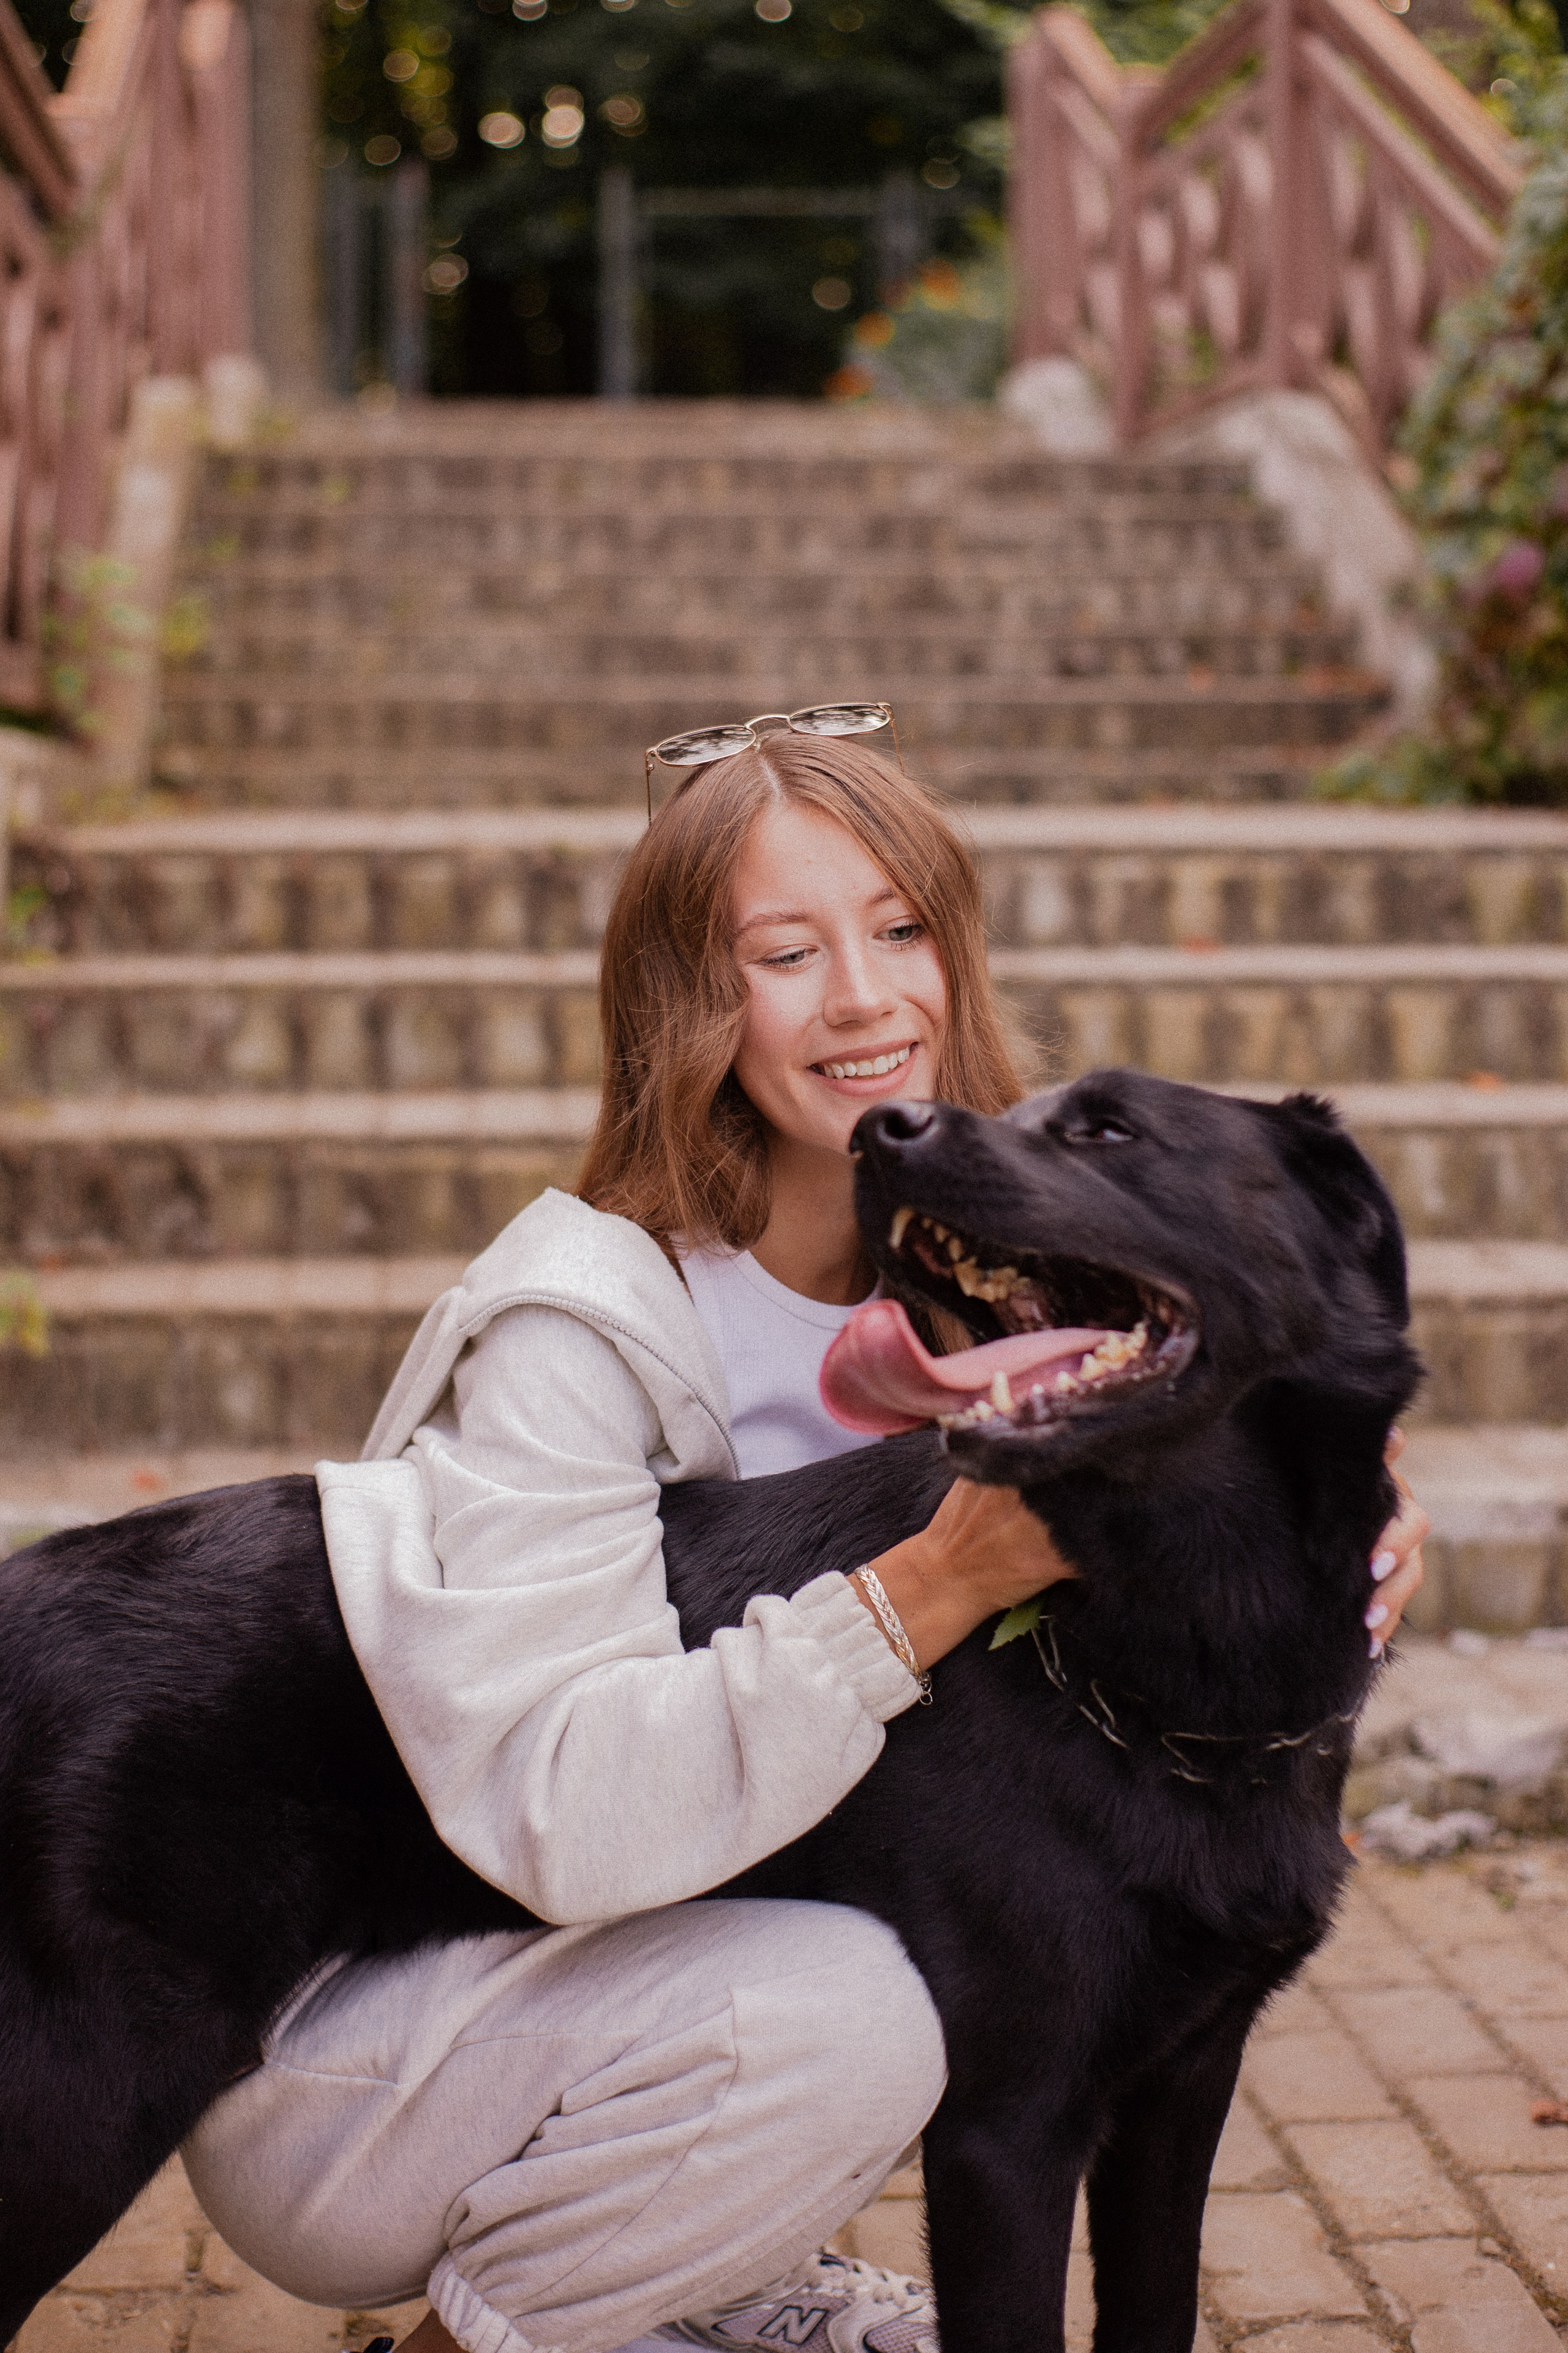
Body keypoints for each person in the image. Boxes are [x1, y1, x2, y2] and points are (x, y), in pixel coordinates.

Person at [182, 719, 1428, 2353]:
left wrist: (1345, 1504)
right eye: (787, 950)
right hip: (402, 2032)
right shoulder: (586, 1325)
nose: (864, 994)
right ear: (691, 1007)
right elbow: (560, 1801)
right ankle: (480, 2322)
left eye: (901, 927)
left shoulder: (1011, 1289)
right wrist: (935, 1580)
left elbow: (1256, 1402)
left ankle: (699, 2263)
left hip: (663, 2008)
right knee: (873, 2002)